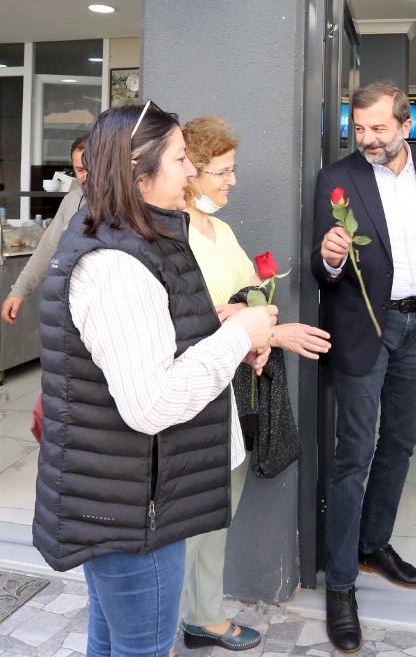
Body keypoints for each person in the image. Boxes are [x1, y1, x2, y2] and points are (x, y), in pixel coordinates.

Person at [32, 102, 277, 657]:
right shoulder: (117, 264)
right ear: (138, 172)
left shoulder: (133, 241)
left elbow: (153, 343)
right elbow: (151, 404)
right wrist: (238, 337)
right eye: (180, 159)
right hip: (133, 508)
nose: (191, 172)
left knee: (112, 640)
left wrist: (222, 331)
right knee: (140, 647)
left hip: (127, 496)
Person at [179, 116, 331, 652]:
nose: (233, 181)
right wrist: (268, 333)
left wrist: (261, 330)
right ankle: (161, 628)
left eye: (233, 170)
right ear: (191, 173)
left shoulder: (220, 231)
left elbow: (250, 299)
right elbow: (186, 321)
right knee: (188, 518)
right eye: (222, 172)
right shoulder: (168, 236)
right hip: (195, 394)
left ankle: (204, 616)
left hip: (236, 387)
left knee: (219, 510)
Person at [311, 81, 416, 656]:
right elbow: (322, 269)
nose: (366, 139)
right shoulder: (336, 178)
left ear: (405, 125)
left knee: (400, 444)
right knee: (354, 456)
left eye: (378, 129)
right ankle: (341, 583)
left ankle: (374, 545)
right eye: (359, 128)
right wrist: (330, 259)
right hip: (364, 329)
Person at [2, 135, 88, 325]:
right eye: (80, 170)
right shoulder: (71, 200)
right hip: (69, 307)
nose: (86, 176)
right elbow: (47, 249)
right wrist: (18, 291)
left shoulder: (124, 203)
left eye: (93, 168)